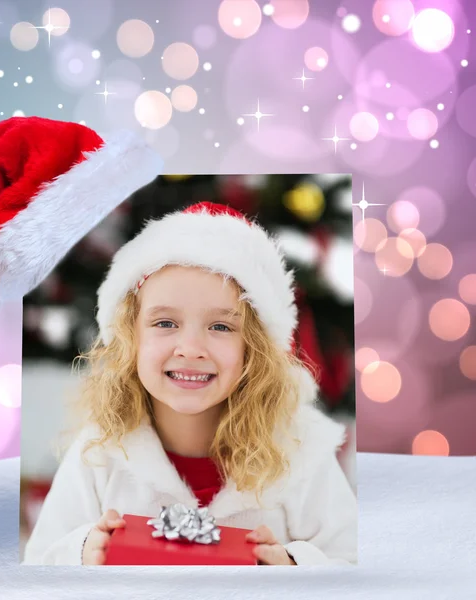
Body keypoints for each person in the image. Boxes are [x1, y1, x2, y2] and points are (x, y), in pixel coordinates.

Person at [22, 201, 357, 566]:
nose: (191, 349)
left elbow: (352, 566)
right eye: (165, 323)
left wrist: (293, 567)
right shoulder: (100, 453)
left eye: (220, 327)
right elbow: (40, 568)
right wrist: (82, 553)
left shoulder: (300, 453)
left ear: (254, 348)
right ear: (130, 338)